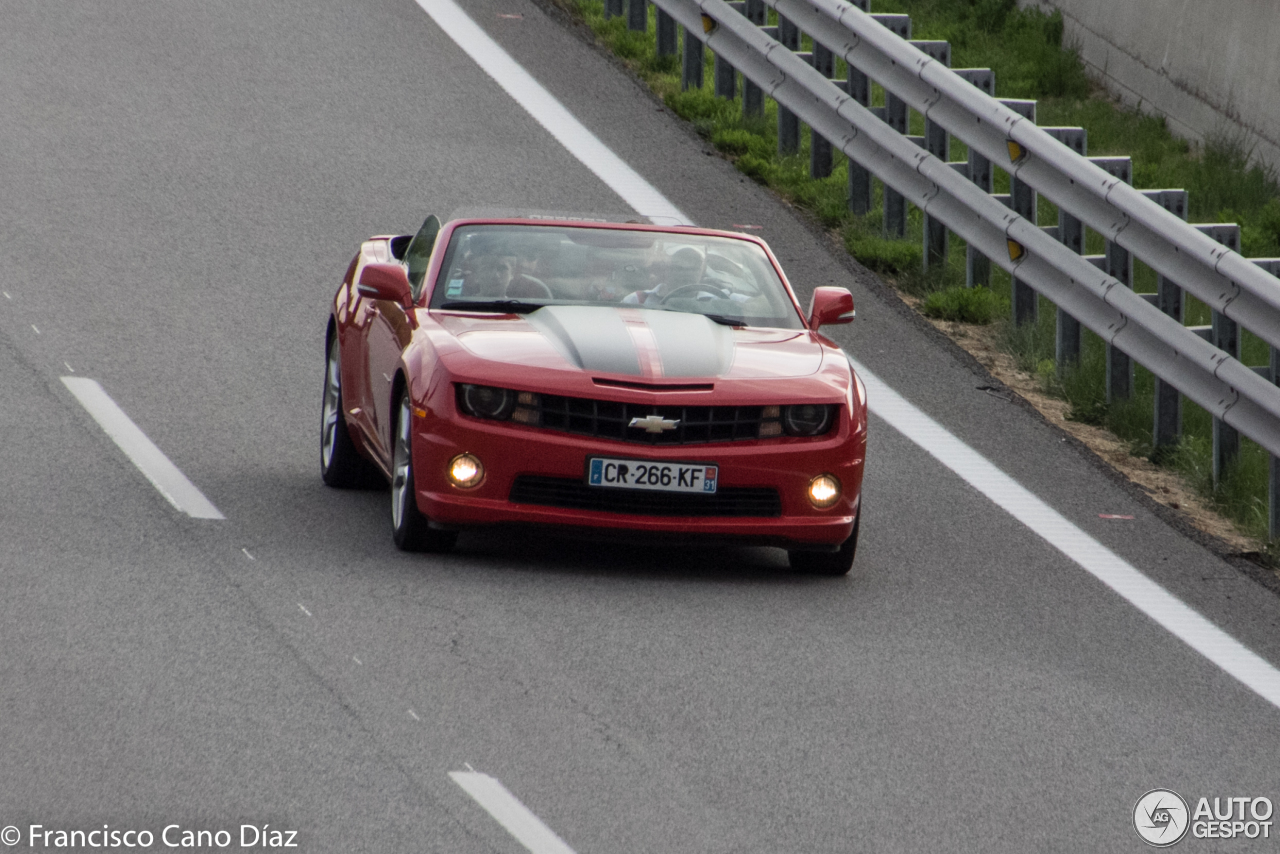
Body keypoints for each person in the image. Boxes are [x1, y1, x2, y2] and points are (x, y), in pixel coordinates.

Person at [622, 246, 707, 305]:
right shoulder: (638, 299)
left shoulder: (714, 301)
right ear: (667, 270)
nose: (687, 274)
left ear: (701, 272)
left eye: (693, 269)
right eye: (680, 268)